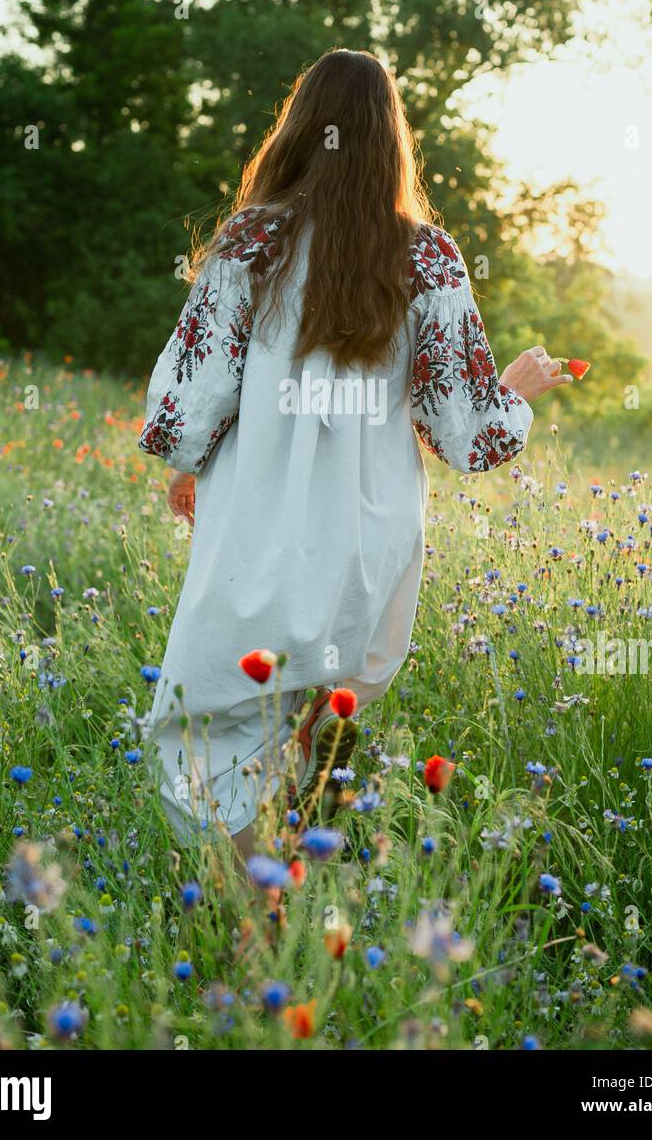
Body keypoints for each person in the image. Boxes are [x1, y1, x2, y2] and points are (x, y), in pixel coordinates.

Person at [138, 48, 570, 858]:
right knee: (319, 699)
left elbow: (194, 397)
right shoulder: (428, 257)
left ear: (298, 128)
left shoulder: (249, 244)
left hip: (258, 526)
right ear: (392, 140)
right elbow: (468, 433)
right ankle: (291, 848)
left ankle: (249, 922)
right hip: (369, 539)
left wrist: (186, 463)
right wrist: (513, 388)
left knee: (204, 723)